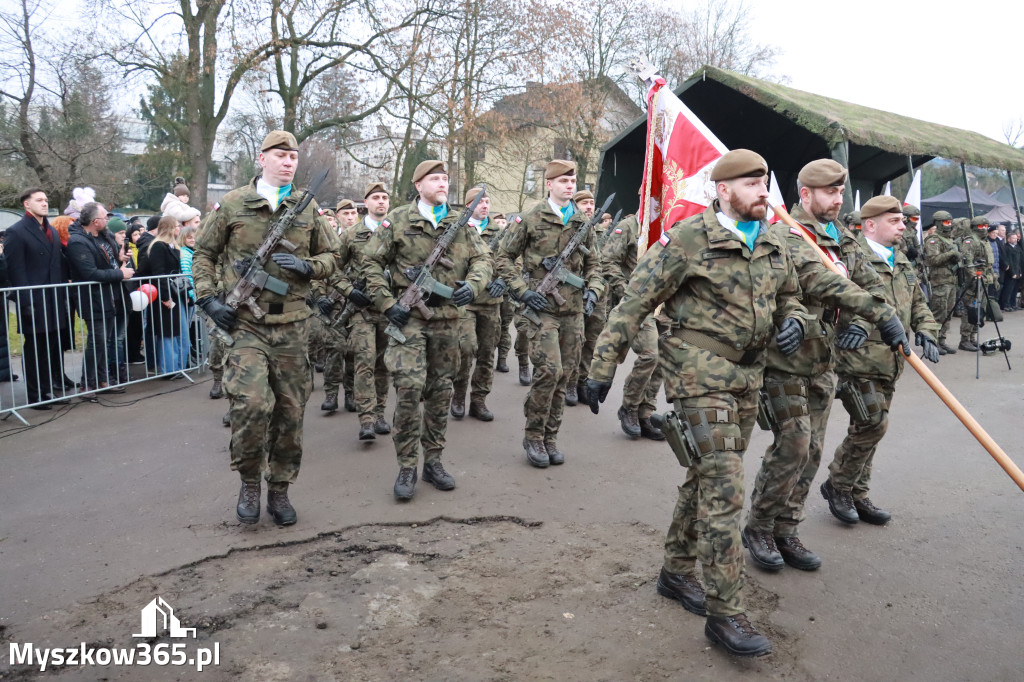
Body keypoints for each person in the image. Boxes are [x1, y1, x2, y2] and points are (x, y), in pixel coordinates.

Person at [583, 150, 808, 657]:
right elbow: (635, 301)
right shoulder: (688, 239)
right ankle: (725, 612)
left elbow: (790, 295)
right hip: (698, 375)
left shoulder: (772, 240)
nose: (763, 191)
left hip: (748, 377)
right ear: (723, 190)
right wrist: (601, 368)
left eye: (765, 182)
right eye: (751, 183)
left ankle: (675, 570)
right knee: (725, 486)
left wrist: (795, 319)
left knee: (705, 476)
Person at [743, 159, 903, 574]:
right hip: (785, 360)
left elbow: (871, 284)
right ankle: (760, 526)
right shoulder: (786, 234)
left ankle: (786, 528)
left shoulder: (843, 239)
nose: (837, 200)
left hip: (824, 361)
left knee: (812, 450)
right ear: (806, 194)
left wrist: (864, 320)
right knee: (793, 444)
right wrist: (876, 312)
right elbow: (821, 281)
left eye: (840, 192)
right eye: (829, 193)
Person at [192, 130, 340, 527]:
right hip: (246, 325)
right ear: (262, 158)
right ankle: (249, 482)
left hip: (292, 325)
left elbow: (333, 256)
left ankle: (280, 488)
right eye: (280, 155)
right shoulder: (234, 203)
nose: (288, 161)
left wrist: (309, 267)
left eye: (293, 156)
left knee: (291, 412)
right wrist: (208, 299)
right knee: (252, 404)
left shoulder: (307, 207)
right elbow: (204, 253)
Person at [363, 160, 491, 500]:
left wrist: (473, 285)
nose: (442, 184)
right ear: (418, 185)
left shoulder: (460, 223)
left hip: (448, 321)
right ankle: (407, 465)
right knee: (408, 390)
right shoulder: (398, 220)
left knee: (440, 392)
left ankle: (433, 461)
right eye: (435, 179)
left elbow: (483, 260)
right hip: (409, 321)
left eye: (445, 179)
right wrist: (386, 304)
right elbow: (370, 262)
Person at [822, 195, 940, 526]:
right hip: (859, 357)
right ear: (870, 225)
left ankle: (858, 492)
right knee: (873, 423)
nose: (903, 226)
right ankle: (838, 485)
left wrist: (927, 330)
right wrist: (861, 324)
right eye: (895, 221)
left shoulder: (900, 259)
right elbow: (843, 302)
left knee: (870, 428)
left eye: (902, 220)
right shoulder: (850, 258)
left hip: (891, 359)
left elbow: (917, 302)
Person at [494, 160, 604, 468]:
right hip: (541, 309)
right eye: (563, 181)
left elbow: (595, 264)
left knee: (565, 375)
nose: (570, 186)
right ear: (550, 184)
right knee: (549, 371)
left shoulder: (582, 221)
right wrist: (521, 290)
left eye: (573, 181)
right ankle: (533, 435)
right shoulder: (530, 217)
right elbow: (503, 257)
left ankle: (550, 437)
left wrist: (594, 290)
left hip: (574, 311)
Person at [323, 182, 393, 438]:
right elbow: (333, 268)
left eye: (384, 197)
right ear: (366, 203)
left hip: (390, 310)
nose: (381, 201)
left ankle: (380, 413)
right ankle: (367, 419)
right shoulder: (352, 235)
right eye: (375, 197)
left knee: (384, 365)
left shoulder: (397, 232)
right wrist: (349, 291)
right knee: (364, 362)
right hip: (361, 311)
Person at [3, 188, 72, 408]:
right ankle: (35, 395)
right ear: (27, 204)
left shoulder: (50, 230)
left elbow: (57, 265)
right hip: (33, 300)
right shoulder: (16, 231)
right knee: (35, 347)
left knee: (52, 346)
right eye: (39, 200)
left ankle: (49, 389)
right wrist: (25, 302)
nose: (44, 203)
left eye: (46, 200)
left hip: (53, 298)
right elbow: (15, 271)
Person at [599, 212, 664, 440]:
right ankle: (630, 407)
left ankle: (645, 412)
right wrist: (627, 292)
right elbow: (608, 261)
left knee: (663, 359)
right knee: (650, 355)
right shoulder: (629, 226)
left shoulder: (669, 225)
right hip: (637, 304)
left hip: (663, 304)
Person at [65, 202, 135, 396]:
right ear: (95, 221)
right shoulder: (78, 242)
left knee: (105, 341)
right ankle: (87, 383)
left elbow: (110, 262)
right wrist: (120, 274)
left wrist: (121, 258)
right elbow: (90, 273)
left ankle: (103, 380)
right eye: (105, 218)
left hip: (111, 296)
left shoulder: (106, 236)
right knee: (97, 341)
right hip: (93, 299)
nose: (108, 220)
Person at [452, 185, 503, 422]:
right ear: (469, 205)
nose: (484, 206)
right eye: (480, 202)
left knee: (487, 352)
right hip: (466, 302)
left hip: (491, 301)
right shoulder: (458, 230)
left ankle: (479, 400)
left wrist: (503, 280)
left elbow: (512, 259)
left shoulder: (499, 231)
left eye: (487, 202)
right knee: (466, 348)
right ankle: (459, 394)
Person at [564, 189, 606, 407]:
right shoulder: (571, 228)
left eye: (591, 203)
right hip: (573, 293)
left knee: (592, 341)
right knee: (575, 340)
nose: (589, 207)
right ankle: (570, 382)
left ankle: (583, 381)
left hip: (597, 293)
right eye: (584, 203)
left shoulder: (599, 230)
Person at [136, 216, 189, 374]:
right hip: (165, 297)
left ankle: (179, 366)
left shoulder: (173, 246)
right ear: (170, 228)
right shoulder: (158, 246)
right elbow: (159, 273)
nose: (179, 228)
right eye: (177, 225)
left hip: (176, 294)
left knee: (179, 331)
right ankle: (170, 369)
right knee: (168, 333)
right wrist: (165, 297)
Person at [922, 211, 960, 353]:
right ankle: (933, 341)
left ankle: (942, 340)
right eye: (946, 222)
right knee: (938, 313)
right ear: (938, 223)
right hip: (940, 282)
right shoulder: (934, 240)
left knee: (948, 313)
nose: (949, 225)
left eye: (950, 222)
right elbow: (932, 260)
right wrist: (951, 254)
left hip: (951, 280)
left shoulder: (950, 239)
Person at [958, 217, 995, 351]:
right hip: (974, 282)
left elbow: (988, 263)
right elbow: (967, 262)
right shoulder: (971, 241)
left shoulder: (984, 241)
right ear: (974, 227)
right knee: (970, 310)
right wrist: (974, 276)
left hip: (984, 279)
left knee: (980, 310)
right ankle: (964, 339)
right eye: (981, 226)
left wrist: (993, 277)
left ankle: (972, 337)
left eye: (986, 226)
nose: (984, 228)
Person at [1000, 230, 1022, 310]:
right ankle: (1006, 305)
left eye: (1016, 238)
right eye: (1013, 238)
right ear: (1008, 239)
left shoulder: (1017, 247)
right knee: (1008, 289)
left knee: (1014, 290)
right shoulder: (1006, 248)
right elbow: (1009, 261)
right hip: (1010, 273)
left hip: (1017, 272)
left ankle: (1013, 304)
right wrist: (1012, 273)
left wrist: (1019, 272)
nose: (1015, 240)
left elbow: (1019, 261)